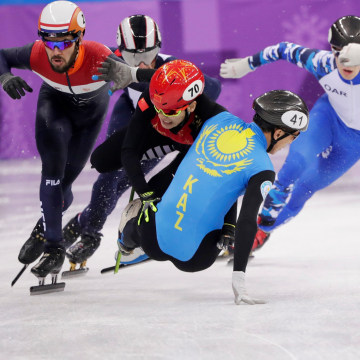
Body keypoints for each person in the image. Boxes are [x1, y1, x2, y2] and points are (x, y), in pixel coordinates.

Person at [115, 69, 309, 304]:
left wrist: (136, 73)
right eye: (294, 136)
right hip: (196, 258)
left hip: (153, 238)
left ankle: (129, 238)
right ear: (278, 132)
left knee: (204, 182)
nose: (292, 141)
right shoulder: (263, 167)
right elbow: (248, 220)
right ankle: (197, 232)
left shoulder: (218, 117)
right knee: (229, 187)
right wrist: (239, 278)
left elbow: (183, 84)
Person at [63, 15, 221, 267]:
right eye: (134, 58)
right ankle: (91, 232)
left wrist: (141, 73)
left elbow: (213, 87)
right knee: (109, 176)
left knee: (124, 183)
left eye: (151, 53)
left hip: (157, 122)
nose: (144, 62)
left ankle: (83, 221)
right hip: (130, 111)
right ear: (120, 50)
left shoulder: (172, 66)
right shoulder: (110, 58)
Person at [0, 0, 125, 281]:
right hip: (54, 108)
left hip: (88, 121)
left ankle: (42, 229)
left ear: (79, 37)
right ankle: (54, 248)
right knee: (52, 173)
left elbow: (141, 82)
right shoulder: (36, 53)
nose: (55, 51)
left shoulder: (99, 57)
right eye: (49, 41)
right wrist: (4, 76)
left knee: (64, 187)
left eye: (64, 42)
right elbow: (2, 56)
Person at [220, 15, 360, 252]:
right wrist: (247, 64)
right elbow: (284, 50)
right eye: (337, 53)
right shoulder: (323, 63)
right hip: (328, 117)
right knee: (295, 164)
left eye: (352, 56)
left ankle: (262, 228)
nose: (344, 63)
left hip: (354, 142)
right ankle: (257, 224)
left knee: (305, 188)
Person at [83, 59, 228, 266]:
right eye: (158, 108)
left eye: (169, 111)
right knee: (100, 160)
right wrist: (143, 191)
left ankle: (141, 236)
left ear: (192, 105)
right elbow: (129, 150)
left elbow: (224, 180)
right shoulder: (152, 97)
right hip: (157, 136)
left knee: (166, 194)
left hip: (190, 147)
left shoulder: (210, 117)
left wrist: (228, 225)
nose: (162, 116)